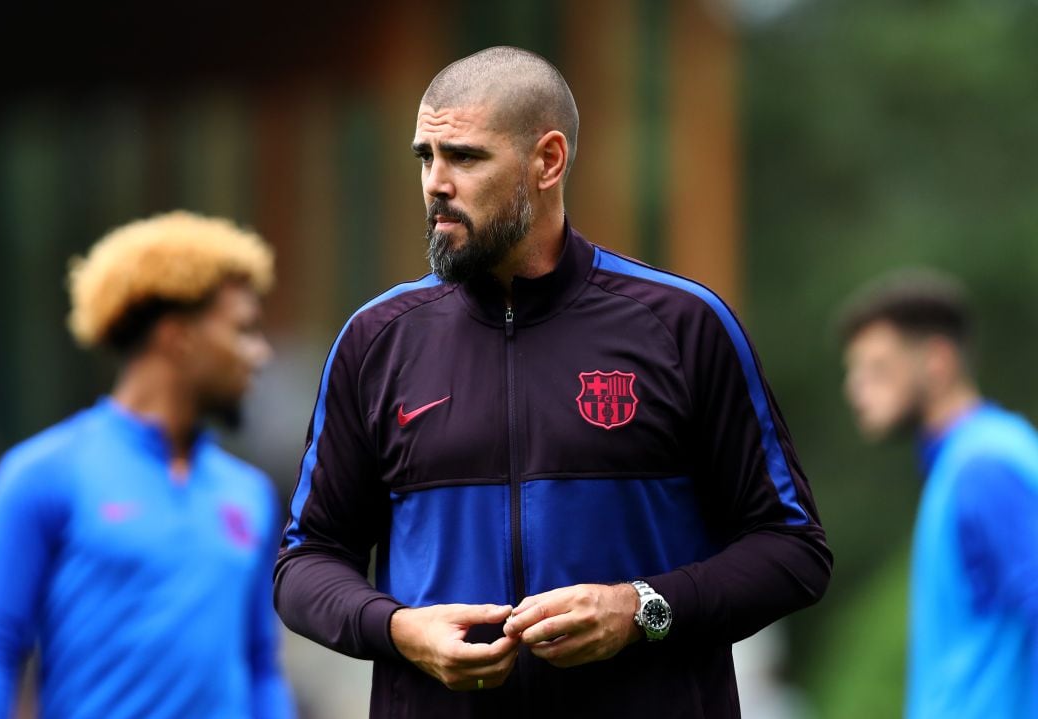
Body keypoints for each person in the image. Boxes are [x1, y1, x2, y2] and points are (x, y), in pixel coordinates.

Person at [275, 46, 831, 718]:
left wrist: (641, 608)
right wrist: (399, 630)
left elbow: (792, 549)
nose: (435, 183)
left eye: (465, 156)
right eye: (426, 156)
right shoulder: (376, 339)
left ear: (548, 161)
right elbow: (304, 563)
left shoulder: (684, 325)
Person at [0, 211, 296, 719]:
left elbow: (260, 664)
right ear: (177, 335)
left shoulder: (248, 493)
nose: (260, 354)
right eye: (243, 330)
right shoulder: (43, 475)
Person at [839, 269, 1038, 719]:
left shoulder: (985, 464)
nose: (855, 389)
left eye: (876, 367)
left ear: (937, 362)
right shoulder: (962, 462)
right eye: (853, 371)